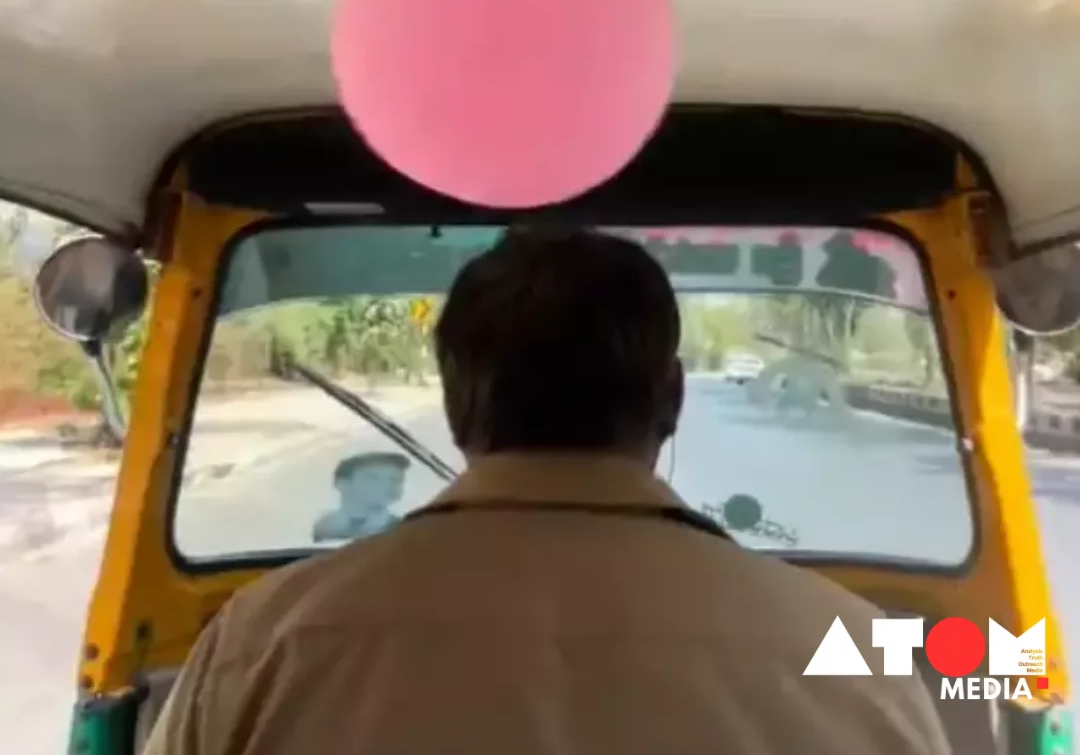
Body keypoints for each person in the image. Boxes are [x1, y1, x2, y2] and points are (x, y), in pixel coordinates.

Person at [144, 228, 950, 755]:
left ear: (458, 404)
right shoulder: (845, 646)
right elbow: (985, 669)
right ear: (670, 399)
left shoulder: (266, 644)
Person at [312, 452, 408, 542]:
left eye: (396, 479)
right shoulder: (324, 526)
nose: (387, 485)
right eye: (373, 478)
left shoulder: (403, 527)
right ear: (342, 484)